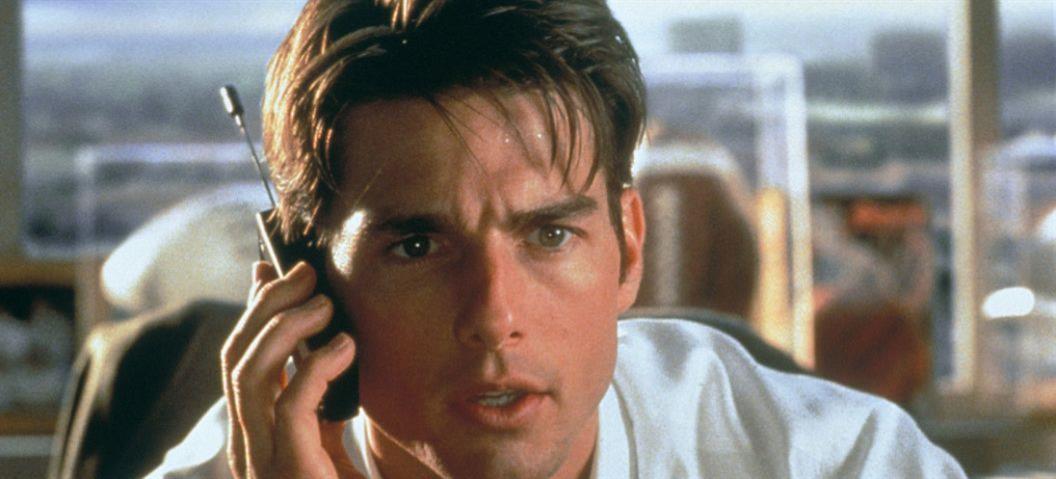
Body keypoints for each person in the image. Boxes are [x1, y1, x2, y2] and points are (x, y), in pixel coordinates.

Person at [149, 1, 966, 477]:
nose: (494, 317)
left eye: (548, 234)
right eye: (417, 247)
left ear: (629, 250)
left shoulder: (833, 461)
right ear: (305, 284)